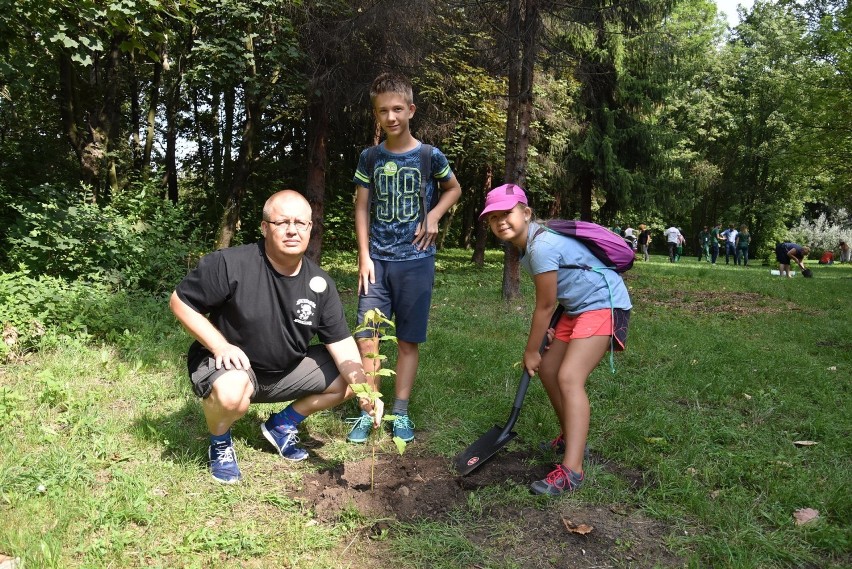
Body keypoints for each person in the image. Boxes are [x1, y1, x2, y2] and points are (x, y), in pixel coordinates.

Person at [169, 190, 383, 484]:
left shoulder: (320, 283)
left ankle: (281, 425)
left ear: (310, 229)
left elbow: (341, 343)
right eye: (282, 222)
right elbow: (180, 302)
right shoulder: (231, 264)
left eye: (301, 223)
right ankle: (220, 443)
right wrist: (219, 345)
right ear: (264, 227)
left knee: (350, 378)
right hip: (233, 369)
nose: (292, 230)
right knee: (232, 393)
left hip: (285, 370)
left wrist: (367, 391)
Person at [479, 184, 631, 496]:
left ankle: (572, 470)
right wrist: (543, 340)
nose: (500, 222)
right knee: (549, 371)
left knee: (569, 377)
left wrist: (531, 350)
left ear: (526, 212)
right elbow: (555, 296)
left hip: (604, 303)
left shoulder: (541, 246)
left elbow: (545, 305)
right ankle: (571, 436)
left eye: (506, 213)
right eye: (493, 218)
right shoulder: (531, 245)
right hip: (577, 307)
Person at [349, 72, 462, 444]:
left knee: (407, 341)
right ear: (376, 116)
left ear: (411, 110)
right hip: (377, 263)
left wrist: (433, 216)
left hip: (416, 261)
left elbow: (454, 189)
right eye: (383, 111)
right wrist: (364, 256)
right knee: (368, 338)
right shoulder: (370, 157)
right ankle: (369, 407)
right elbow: (362, 207)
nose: (392, 117)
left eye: (398, 109)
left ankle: (400, 410)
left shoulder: (429, 155)